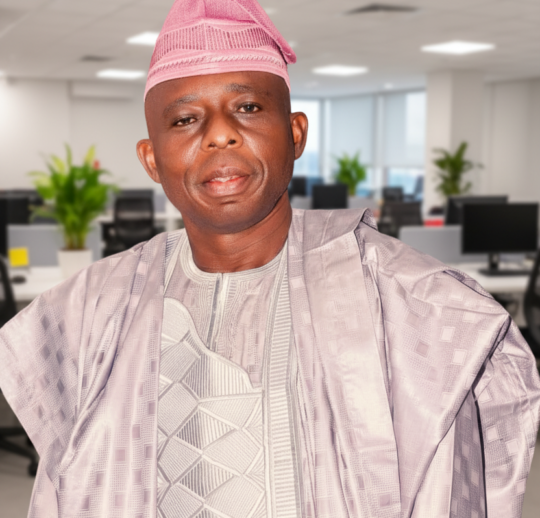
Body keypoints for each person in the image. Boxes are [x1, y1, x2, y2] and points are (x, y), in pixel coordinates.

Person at [1, 0, 539, 517]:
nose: (220, 134)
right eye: (184, 119)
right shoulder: (89, 311)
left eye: (248, 108)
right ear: (151, 159)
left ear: (295, 133)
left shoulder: (417, 305)